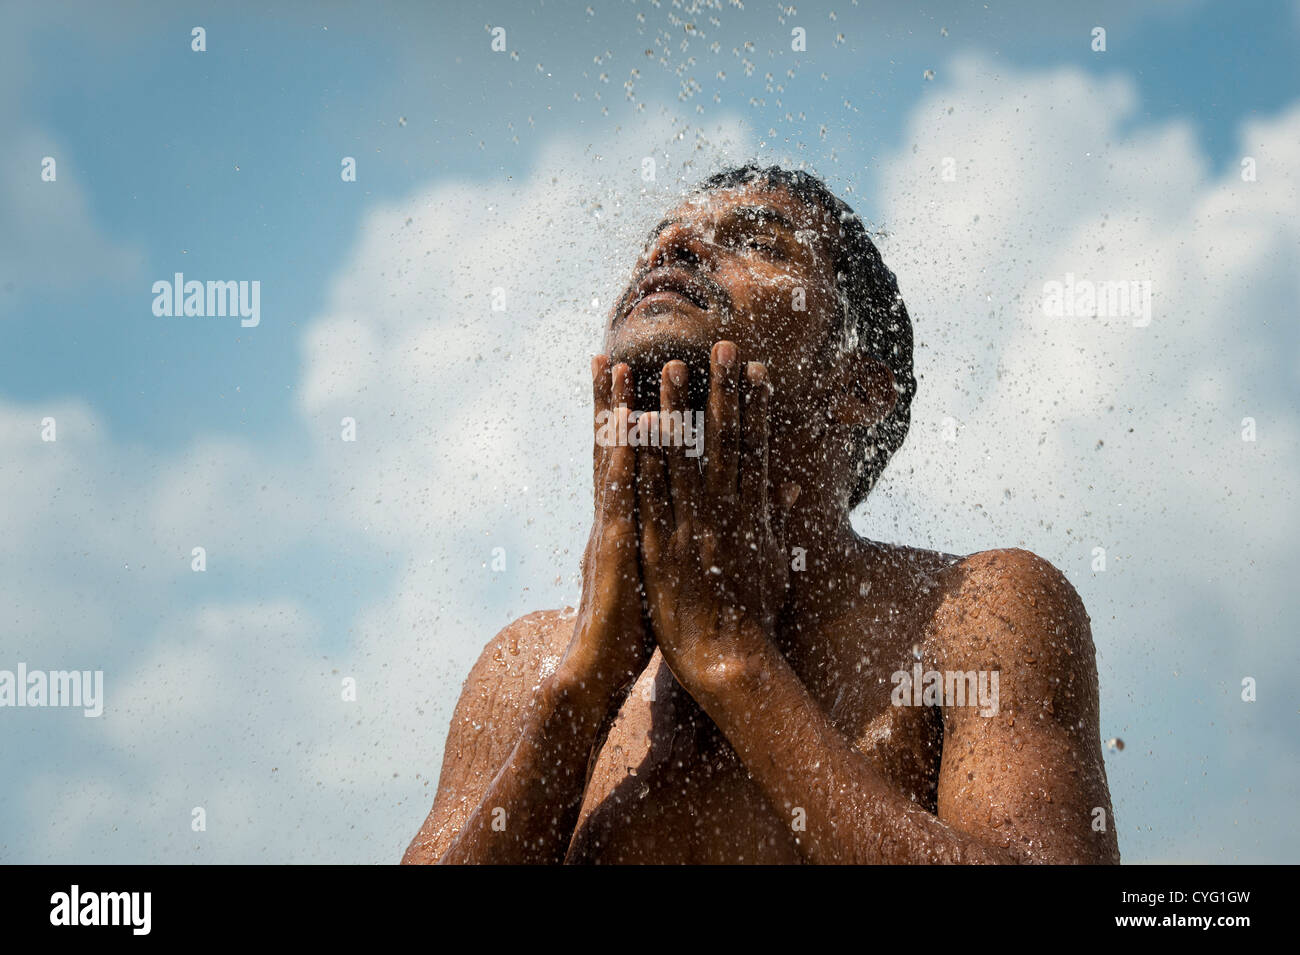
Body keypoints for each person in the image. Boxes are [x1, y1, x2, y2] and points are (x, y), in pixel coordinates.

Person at [402, 164, 1120, 864]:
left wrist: (735, 663)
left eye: (759, 242)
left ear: (860, 385)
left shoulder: (973, 613)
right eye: (663, 238)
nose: (669, 250)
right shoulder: (526, 667)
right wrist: (582, 688)